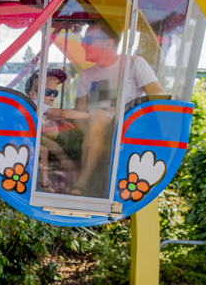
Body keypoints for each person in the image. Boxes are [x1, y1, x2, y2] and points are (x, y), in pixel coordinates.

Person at [65, 18, 165, 196]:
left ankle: (83, 181)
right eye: (83, 40)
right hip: (95, 128)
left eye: (88, 40)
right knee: (97, 118)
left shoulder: (134, 64)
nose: (83, 45)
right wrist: (92, 134)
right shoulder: (87, 75)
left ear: (109, 42)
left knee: (98, 116)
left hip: (127, 130)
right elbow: (79, 114)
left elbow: (159, 96)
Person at [26, 69, 90, 193]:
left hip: (35, 136)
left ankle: (51, 183)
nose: (52, 96)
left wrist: (61, 119)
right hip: (32, 137)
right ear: (33, 94)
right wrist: (89, 116)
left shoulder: (37, 105)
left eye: (55, 93)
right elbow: (61, 112)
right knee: (56, 152)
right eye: (48, 92)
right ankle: (47, 185)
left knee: (55, 151)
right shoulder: (36, 103)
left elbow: (51, 115)